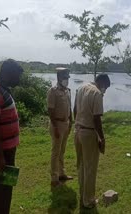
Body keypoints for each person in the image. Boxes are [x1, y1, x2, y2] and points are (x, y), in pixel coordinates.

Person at [0, 59, 24, 214]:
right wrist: (0, 156)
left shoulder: (3, 90)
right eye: (17, 75)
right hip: (2, 153)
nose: (19, 79)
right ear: (8, 73)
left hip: (7, 151)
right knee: (1, 190)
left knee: (6, 188)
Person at [74, 74, 110, 209]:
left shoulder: (82, 87)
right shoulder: (97, 93)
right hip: (89, 133)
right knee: (90, 168)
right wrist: (102, 138)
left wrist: (77, 123)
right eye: (106, 86)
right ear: (102, 82)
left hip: (77, 131)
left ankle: (83, 193)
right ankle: (88, 200)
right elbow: (97, 119)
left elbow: (75, 110)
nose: (105, 89)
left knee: (81, 164)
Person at [47, 67, 73, 187]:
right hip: (57, 124)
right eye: (64, 78)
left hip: (66, 123)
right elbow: (50, 111)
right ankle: (54, 178)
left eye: (67, 78)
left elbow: (70, 107)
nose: (66, 80)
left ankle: (62, 173)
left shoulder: (68, 90)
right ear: (58, 78)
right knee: (55, 152)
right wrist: (55, 127)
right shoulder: (53, 91)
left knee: (62, 151)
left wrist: (71, 121)